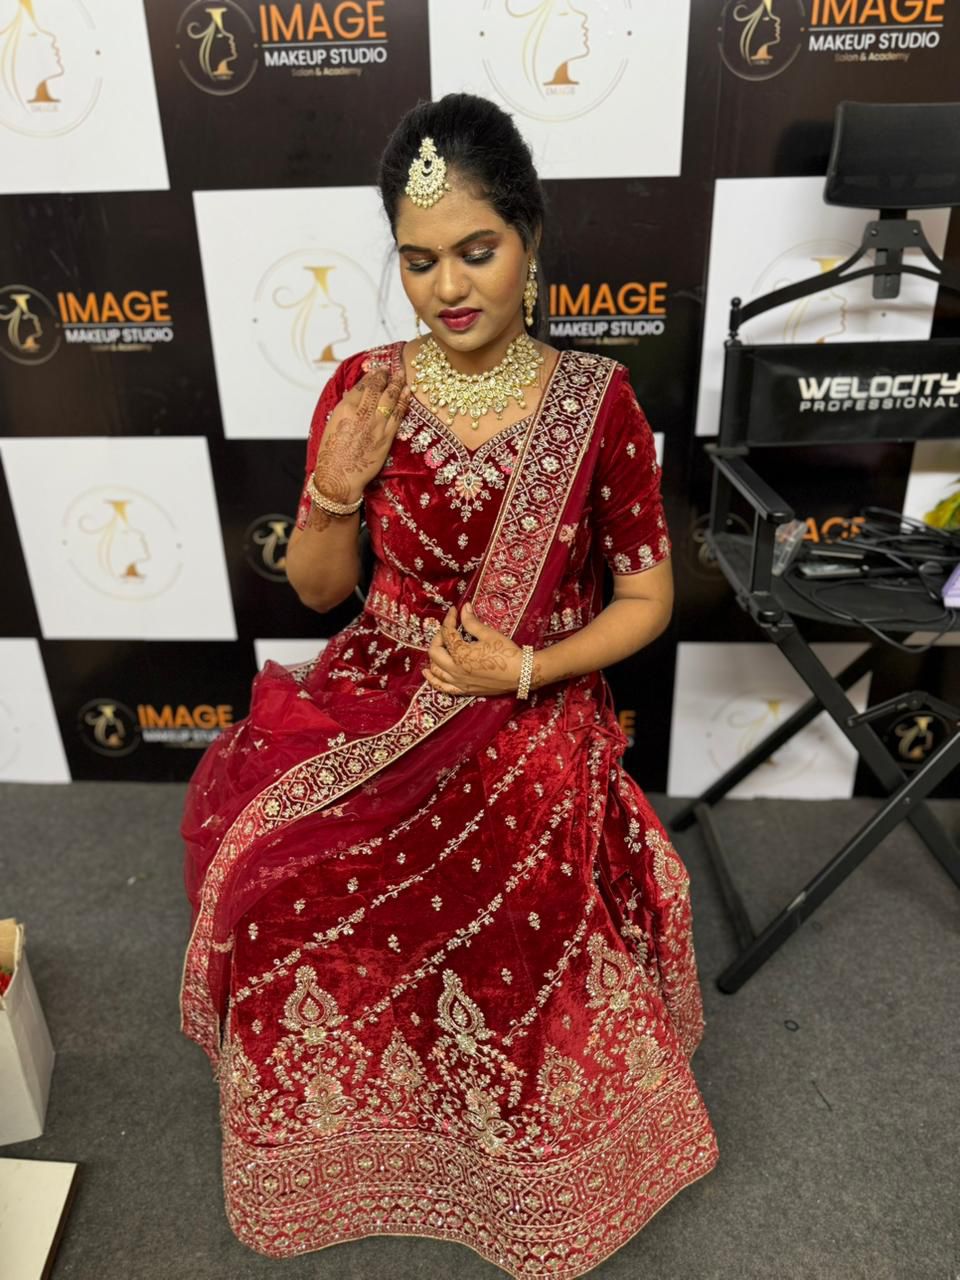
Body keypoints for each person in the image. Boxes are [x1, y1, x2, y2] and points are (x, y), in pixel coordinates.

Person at [180, 92, 719, 1279]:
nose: (448, 286)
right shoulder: (366, 386)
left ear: (530, 237)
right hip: (382, 681)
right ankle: (344, 1132)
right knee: (276, 868)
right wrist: (333, 488)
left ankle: (513, 1149)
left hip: (532, 697)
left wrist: (520, 666)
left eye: (478, 250)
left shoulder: (598, 402)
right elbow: (320, 591)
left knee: (516, 852)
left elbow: (646, 599)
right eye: (419, 261)